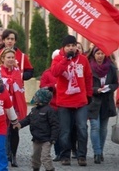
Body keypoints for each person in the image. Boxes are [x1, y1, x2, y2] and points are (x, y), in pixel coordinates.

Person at [50, 35, 92, 166]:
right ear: (64, 47)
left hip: (80, 101)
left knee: (82, 128)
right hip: (64, 101)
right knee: (65, 130)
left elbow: (88, 77)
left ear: (76, 46)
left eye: (73, 45)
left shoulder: (83, 60)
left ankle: (81, 155)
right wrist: (65, 60)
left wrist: (89, 94)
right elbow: (55, 72)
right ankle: (65, 155)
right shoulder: (58, 59)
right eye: (68, 46)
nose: (71, 48)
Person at [14, 89, 59, 171]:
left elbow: (55, 125)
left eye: (37, 97)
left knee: (45, 156)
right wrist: (19, 124)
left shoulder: (49, 110)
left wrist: (53, 138)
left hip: (47, 139)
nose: (34, 99)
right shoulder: (34, 110)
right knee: (35, 156)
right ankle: (35, 168)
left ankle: (49, 169)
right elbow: (27, 120)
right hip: (36, 138)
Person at [87, 47, 118, 164]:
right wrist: (96, 90)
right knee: (95, 127)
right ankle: (97, 153)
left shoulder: (111, 67)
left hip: (106, 101)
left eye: (102, 53)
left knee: (103, 128)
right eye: (98, 53)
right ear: (94, 55)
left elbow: (116, 83)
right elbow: (85, 84)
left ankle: (101, 151)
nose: (100, 56)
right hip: (94, 101)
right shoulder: (89, 67)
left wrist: (110, 87)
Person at [39, 49, 61, 161]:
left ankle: (64, 152)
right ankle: (57, 153)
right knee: (53, 130)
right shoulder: (47, 73)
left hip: (64, 105)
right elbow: (42, 87)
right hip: (52, 106)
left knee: (64, 130)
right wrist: (54, 86)